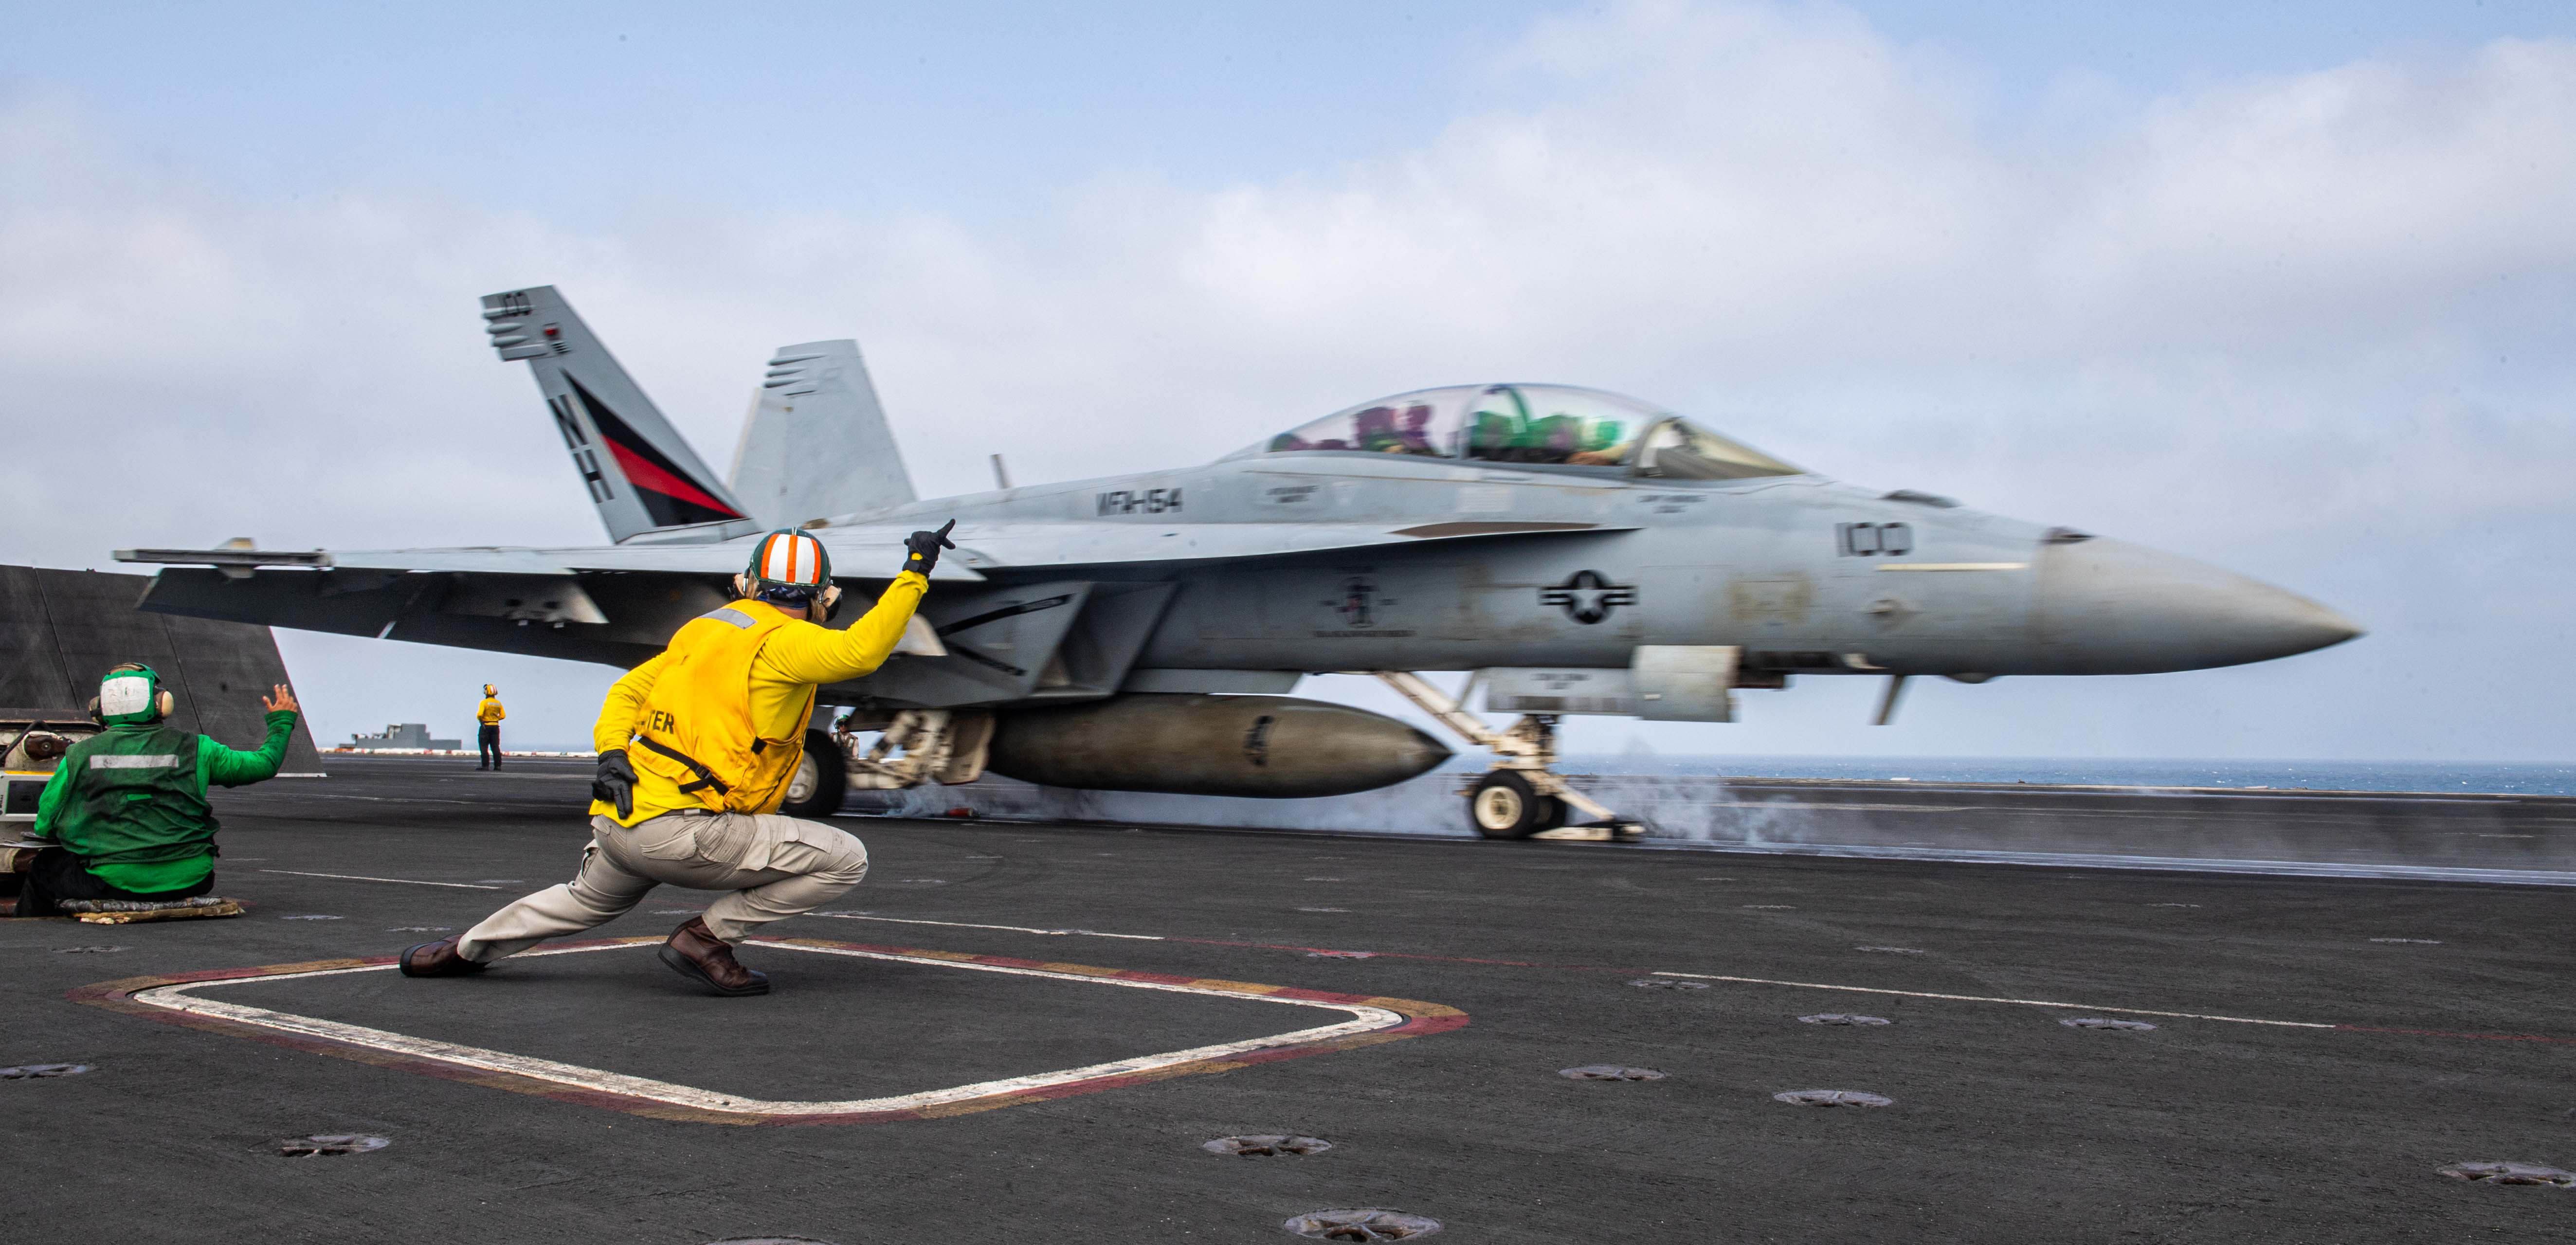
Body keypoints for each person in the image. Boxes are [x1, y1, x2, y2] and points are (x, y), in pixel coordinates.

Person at [399, 522, 955, 995]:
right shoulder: (787, 640)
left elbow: (626, 694)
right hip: (686, 834)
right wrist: (914, 572)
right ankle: (706, 940)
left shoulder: (702, 629)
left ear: (746, 584)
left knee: (581, 901)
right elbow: (861, 651)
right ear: (823, 597)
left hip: (623, 819)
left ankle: (464, 951)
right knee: (845, 857)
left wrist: (611, 752)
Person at [13, 665, 299, 917]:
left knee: (43, 869)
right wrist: (282, 722)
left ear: (100, 708)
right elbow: (263, 765)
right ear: (162, 704)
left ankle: (29, 929)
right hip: (193, 879)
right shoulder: (198, 749)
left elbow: (45, 823)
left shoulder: (78, 755)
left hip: (112, 881)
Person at [475, 684, 506, 770]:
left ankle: (485, 766)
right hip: (495, 727)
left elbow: (480, 714)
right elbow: (503, 716)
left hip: (486, 726)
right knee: (496, 747)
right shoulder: (498, 703)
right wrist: (495, 718)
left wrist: (482, 720)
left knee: (484, 747)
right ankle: (498, 766)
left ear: (487, 692)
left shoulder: (484, 702)